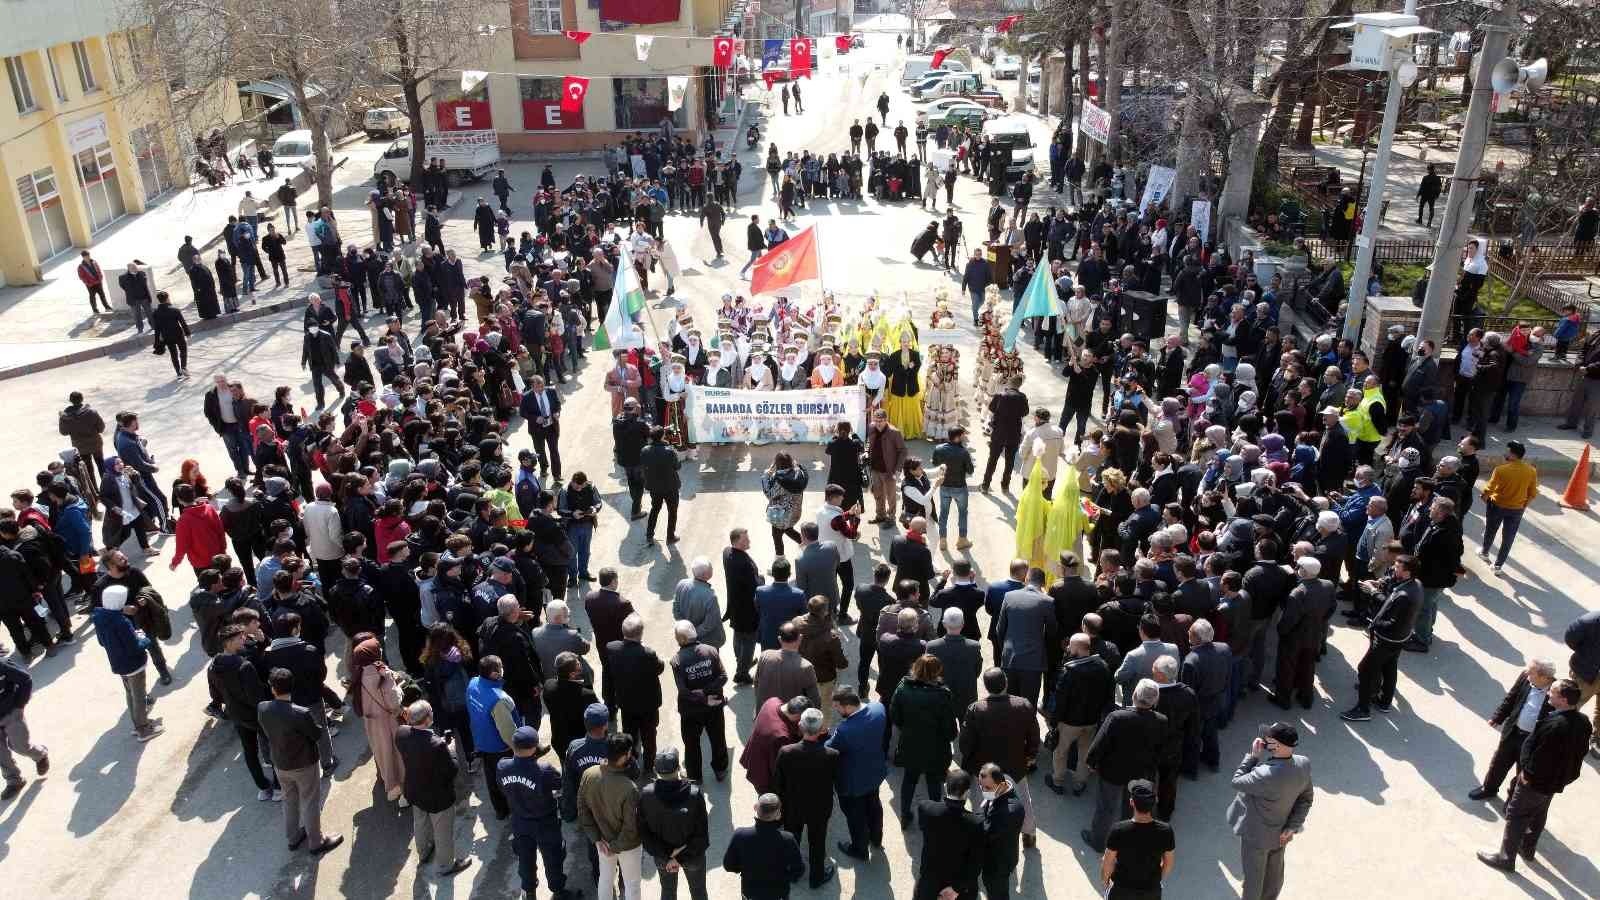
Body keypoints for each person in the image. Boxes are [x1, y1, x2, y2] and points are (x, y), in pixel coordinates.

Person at [1475, 679, 1593, 873]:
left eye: (1553, 693)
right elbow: (1578, 755)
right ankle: (1527, 848)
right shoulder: (1583, 722)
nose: (1548, 695)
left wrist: (1526, 776)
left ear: (1563, 700)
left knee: (1516, 815)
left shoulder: (1555, 725)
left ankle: (1506, 859)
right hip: (1553, 784)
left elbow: (1540, 757)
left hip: (1535, 783)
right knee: (1538, 814)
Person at [258, 668, 344, 855]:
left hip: (280, 763)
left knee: (289, 800)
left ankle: (293, 837)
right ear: (292, 686)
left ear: (272, 688)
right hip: (304, 763)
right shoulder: (301, 712)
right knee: (310, 801)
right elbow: (315, 735)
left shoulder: (263, 707)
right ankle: (316, 841)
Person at [1227, 722, 1313, 900]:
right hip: (1281, 834)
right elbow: (1306, 799)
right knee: (1273, 880)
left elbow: (1237, 781)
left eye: (1269, 738)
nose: (1264, 740)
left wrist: (1252, 757)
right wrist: (1292, 826)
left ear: (1278, 745)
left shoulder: (1265, 774)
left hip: (1256, 837)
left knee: (1253, 882)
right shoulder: (1303, 764)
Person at [959, 668, 1040, 847]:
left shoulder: (975, 709)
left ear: (986, 686)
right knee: (1023, 800)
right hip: (1016, 765)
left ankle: (988, 836)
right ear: (1006, 682)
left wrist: (970, 762)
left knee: (985, 802)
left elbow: (965, 742)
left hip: (986, 768)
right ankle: (1029, 835)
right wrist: (1030, 756)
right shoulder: (1023, 705)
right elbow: (1034, 734)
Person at [395, 700, 472, 877]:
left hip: (414, 789)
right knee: (442, 830)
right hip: (438, 796)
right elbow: (452, 769)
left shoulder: (401, 733)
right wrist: (451, 750)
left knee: (420, 822)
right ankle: (446, 865)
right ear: (428, 719)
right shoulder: (437, 745)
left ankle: (424, 852)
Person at [1341, 555, 1423, 721]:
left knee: (1365, 669)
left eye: (1398, 567)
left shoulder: (1404, 595)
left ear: (1407, 572)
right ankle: (1384, 701)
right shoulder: (1414, 584)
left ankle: (1363, 710)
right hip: (1399, 638)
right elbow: (1392, 589)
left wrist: (1374, 620)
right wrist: (1380, 584)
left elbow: (1391, 616)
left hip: (1387, 639)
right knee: (1389, 666)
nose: (1394, 568)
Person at [1469, 657, 1559, 802]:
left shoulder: (1558, 692)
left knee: (1522, 774)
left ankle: (1513, 801)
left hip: (1532, 741)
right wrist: (1498, 717)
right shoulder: (1525, 677)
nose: (1527, 675)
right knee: (1498, 763)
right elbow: (1512, 697)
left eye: (1531, 673)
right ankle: (1489, 789)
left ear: (1544, 677)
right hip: (1513, 731)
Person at [501, 724, 573, 900]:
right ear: (534, 748)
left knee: (525, 860)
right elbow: (559, 784)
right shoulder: (544, 770)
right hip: (545, 823)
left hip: (520, 823)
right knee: (553, 858)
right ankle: (558, 891)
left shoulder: (502, 766)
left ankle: (529, 892)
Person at [772, 707, 838, 888]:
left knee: (793, 838)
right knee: (817, 843)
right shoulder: (832, 755)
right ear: (822, 729)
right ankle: (816, 878)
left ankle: (793, 872)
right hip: (820, 808)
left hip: (793, 807)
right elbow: (836, 780)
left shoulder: (786, 752)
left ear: (800, 727)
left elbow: (778, 784)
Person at [577, 732, 644, 900]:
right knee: (632, 885)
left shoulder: (589, 774)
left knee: (605, 880)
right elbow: (631, 828)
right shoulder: (630, 789)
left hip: (603, 842)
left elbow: (583, 810)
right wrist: (615, 846)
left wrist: (597, 840)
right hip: (627, 846)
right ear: (625, 756)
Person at [1047, 633, 1114, 797]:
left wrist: (1054, 722)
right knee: (1085, 753)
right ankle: (1079, 784)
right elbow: (1108, 694)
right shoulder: (1103, 667)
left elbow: (1060, 701)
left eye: (1071, 646)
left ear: (1076, 648)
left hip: (1068, 723)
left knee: (1060, 752)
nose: (1069, 648)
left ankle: (1058, 781)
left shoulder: (1068, 672)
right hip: (1091, 721)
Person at [638, 748, 711, 900]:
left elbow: (644, 833)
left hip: (663, 859)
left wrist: (668, 857)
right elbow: (701, 835)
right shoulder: (694, 794)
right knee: (698, 892)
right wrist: (679, 859)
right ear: (678, 768)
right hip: (692, 857)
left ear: (654, 770)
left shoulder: (646, 794)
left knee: (668, 892)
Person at [93, 586, 164, 742]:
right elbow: (135, 648)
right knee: (139, 696)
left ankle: (137, 724)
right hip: (133, 664)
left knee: (130, 694)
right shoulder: (121, 622)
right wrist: (143, 638)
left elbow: (101, 642)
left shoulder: (99, 617)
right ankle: (143, 729)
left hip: (118, 664)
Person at [827, 686, 888, 861]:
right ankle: (876, 838)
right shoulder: (878, 708)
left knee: (856, 817)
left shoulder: (845, 730)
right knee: (874, 805)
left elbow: (829, 748)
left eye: (837, 707)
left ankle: (859, 849)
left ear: (846, 706)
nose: (835, 710)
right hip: (875, 772)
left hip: (853, 781)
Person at [670, 620, 729, 783]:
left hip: (690, 710)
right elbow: (723, 677)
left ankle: (695, 776)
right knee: (718, 739)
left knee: (691, 744)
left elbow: (683, 691)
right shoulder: (711, 650)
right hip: (714, 706)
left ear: (678, 639)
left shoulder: (677, 660)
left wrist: (701, 696)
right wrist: (707, 696)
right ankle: (721, 770)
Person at [912, 769, 985, 900]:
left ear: (945, 787)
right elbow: (976, 863)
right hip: (960, 890)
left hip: (929, 885)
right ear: (967, 793)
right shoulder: (976, 823)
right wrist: (956, 889)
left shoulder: (926, 808)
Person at [607, 613, 664, 777]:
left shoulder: (612, 648)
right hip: (648, 705)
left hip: (627, 703)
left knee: (629, 734)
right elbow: (659, 668)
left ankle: (630, 761)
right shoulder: (648, 653)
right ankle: (648, 766)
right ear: (641, 633)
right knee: (649, 737)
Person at [468, 654, 524, 820]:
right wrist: (519, 749)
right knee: (509, 779)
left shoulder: (473, 684)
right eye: (500, 668)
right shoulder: (499, 699)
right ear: (494, 674)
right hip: (500, 746)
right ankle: (515, 809)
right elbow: (507, 731)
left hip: (481, 740)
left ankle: (500, 810)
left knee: (491, 777)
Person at [722, 793, 806, 900]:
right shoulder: (788, 839)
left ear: (755, 808)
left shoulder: (740, 835)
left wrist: (746, 869)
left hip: (750, 893)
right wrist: (784, 878)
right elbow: (799, 870)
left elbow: (728, 865)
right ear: (778, 814)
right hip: (778, 894)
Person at [996, 567, 1057, 711]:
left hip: (1010, 659)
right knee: (1028, 705)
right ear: (1043, 583)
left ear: (1026, 579)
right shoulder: (1047, 601)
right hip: (1033, 662)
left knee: (1009, 704)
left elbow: (1000, 630)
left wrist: (1005, 650)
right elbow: (1052, 632)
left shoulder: (1009, 596)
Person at [1102, 779, 1175, 899]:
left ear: (1131, 802)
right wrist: (1155, 881)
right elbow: (1168, 864)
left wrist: (1106, 883)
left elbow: (1107, 863)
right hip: (1151, 892)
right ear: (1155, 801)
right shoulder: (1166, 831)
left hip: (1121, 890)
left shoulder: (1118, 830)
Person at [1478, 440, 1537, 575]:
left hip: (1497, 506)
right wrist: (1523, 506)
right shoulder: (1531, 471)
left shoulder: (1501, 470)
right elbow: (1532, 493)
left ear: (1513, 454)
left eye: (1507, 451)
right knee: (1508, 537)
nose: (1505, 453)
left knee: (1491, 530)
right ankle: (1498, 566)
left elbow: (1489, 488)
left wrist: (1484, 497)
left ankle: (1484, 552)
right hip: (1517, 509)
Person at [0, 655, 48, 800]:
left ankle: (39, 755)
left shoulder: (2, 664)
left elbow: (25, 680)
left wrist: (19, 706)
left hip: (11, 714)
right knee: (1, 754)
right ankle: (14, 780)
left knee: (20, 746)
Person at [641, 427, 681, 543]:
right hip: (670, 486)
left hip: (655, 487)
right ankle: (670, 536)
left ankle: (649, 535)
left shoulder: (645, 450)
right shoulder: (669, 451)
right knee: (672, 512)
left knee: (655, 510)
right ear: (662, 436)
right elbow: (677, 466)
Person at [150, 291, 192, 378]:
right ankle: (183, 367)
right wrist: (187, 333)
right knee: (183, 350)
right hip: (178, 334)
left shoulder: (156, 313)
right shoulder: (175, 310)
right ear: (167, 298)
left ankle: (178, 373)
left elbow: (157, 329)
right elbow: (183, 323)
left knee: (173, 354)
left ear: (159, 300)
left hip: (167, 336)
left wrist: (157, 340)